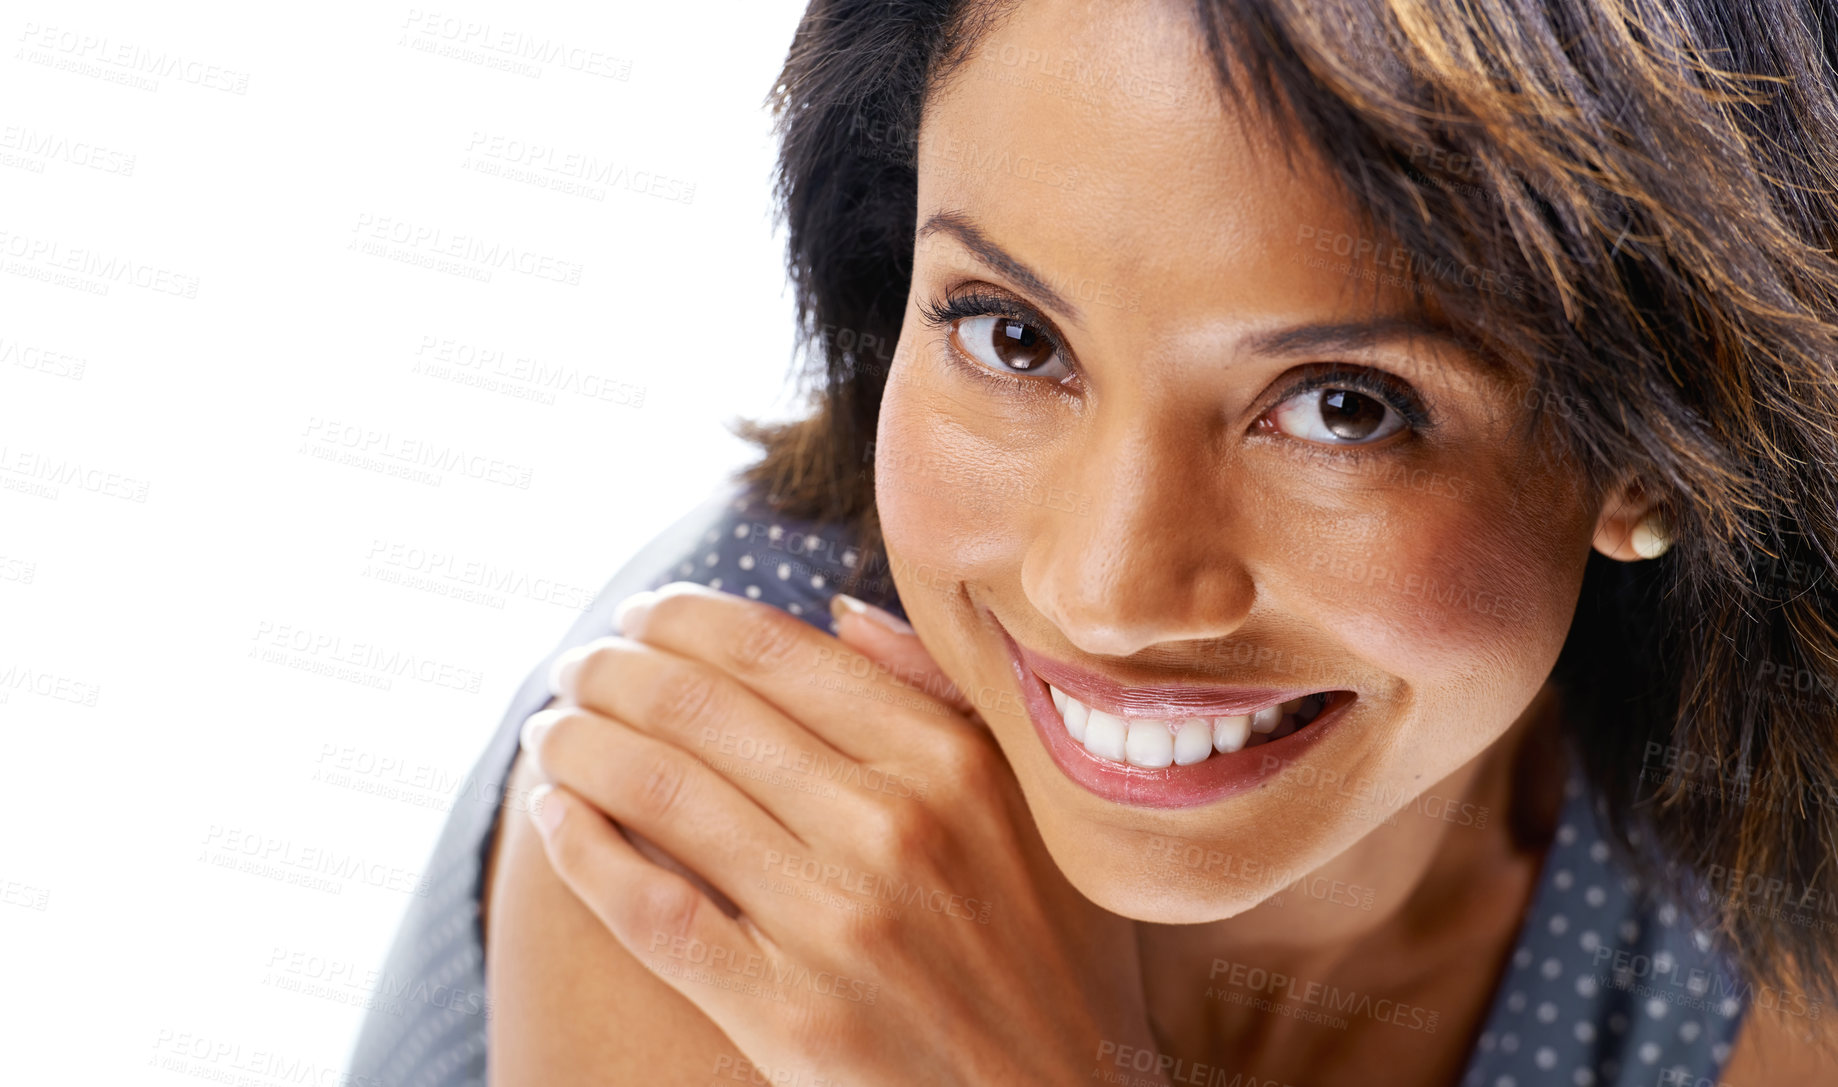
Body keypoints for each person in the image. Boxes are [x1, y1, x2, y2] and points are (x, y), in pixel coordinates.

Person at [347, 0, 1838, 1083]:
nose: (1105, 591)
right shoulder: (727, 840)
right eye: (1010, 336)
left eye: (1339, 407)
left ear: (1652, 446)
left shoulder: (1766, 827)